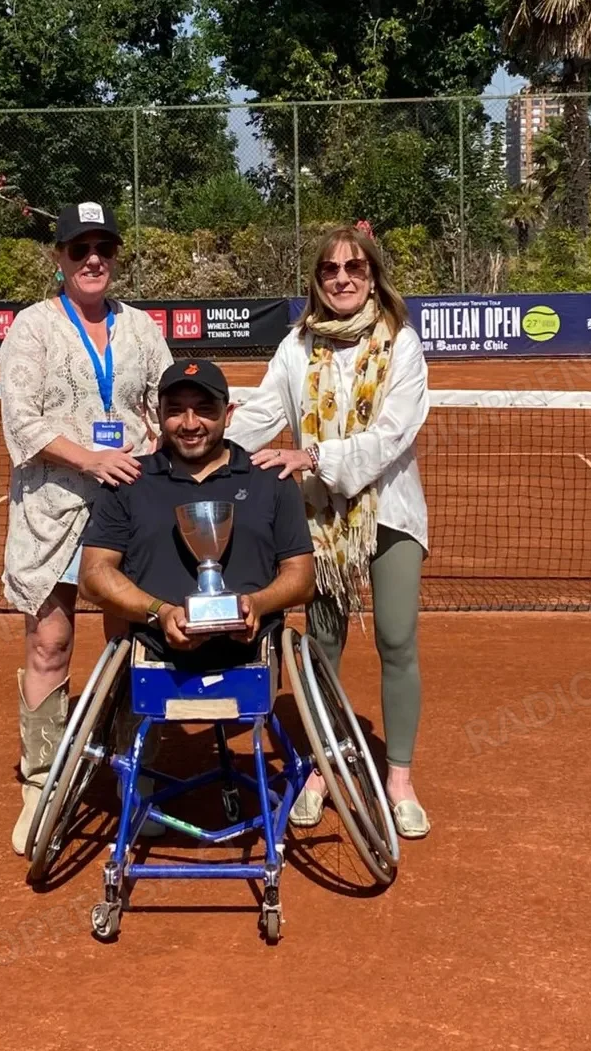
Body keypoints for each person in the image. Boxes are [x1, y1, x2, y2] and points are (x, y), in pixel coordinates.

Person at [225, 224, 432, 839]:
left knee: (396, 640)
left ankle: (398, 778)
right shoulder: (296, 347)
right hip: (315, 520)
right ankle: (317, 766)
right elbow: (263, 413)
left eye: (355, 268)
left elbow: (393, 435)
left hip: (390, 513)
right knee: (320, 650)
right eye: (330, 270)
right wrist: (200, 445)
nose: (342, 278)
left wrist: (313, 458)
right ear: (316, 281)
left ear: (373, 276)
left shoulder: (404, 346)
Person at [0, 200, 173, 855]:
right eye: (79, 249)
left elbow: (166, 399)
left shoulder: (140, 328)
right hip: (52, 510)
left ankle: (133, 782)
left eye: (103, 247)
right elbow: (23, 420)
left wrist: (165, 437)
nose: (92, 259)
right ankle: (41, 786)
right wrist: (91, 456)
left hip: (129, 511)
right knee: (49, 643)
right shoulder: (32, 328)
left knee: (132, 641)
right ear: (60, 258)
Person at [79, 359, 315, 676]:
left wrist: (255, 605)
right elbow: (93, 576)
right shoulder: (127, 481)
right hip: (154, 654)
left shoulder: (272, 480)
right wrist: (159, 613)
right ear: (158, 416)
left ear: (228, 414)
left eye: (204, 409)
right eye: (175, 410)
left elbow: (301, 579)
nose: (190, 423)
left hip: (252, 654)